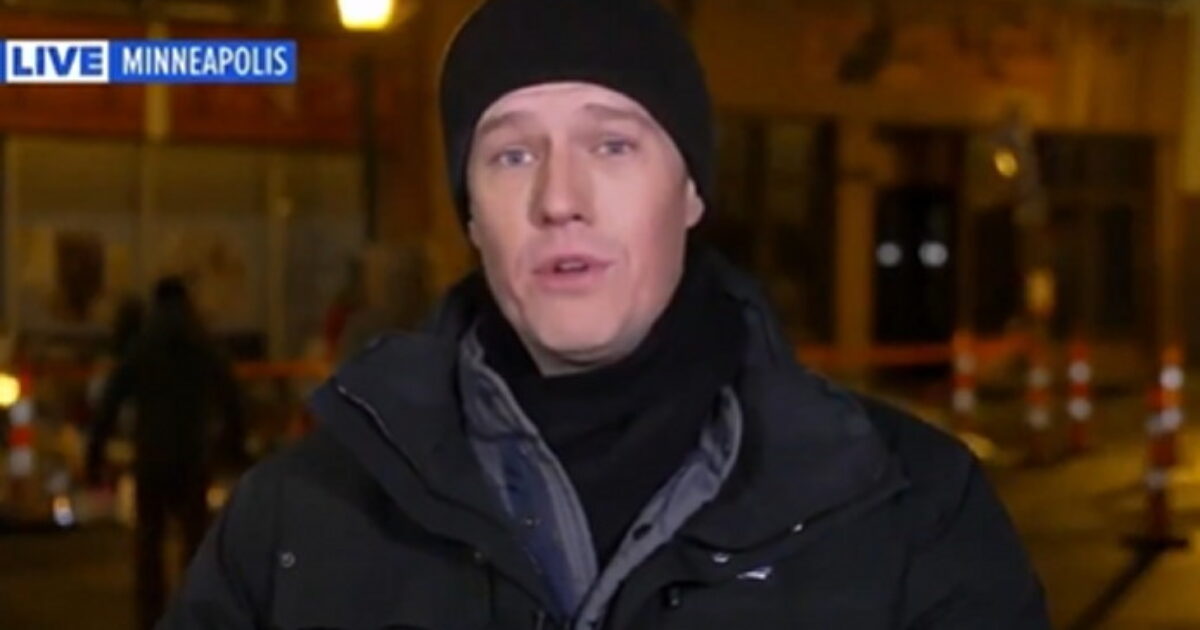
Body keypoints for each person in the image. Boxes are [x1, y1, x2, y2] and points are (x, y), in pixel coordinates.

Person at [159, 1, 1050, 628]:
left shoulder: (911, 511)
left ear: (691, 190)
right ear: (471, 215)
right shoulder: (295, 523)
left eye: (612, 143)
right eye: (511, 155)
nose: (559, 199)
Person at [87, 276, 245, 630]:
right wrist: (233, 445)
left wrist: (94, 454)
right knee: (195, 543)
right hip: (192, 455)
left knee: (149, 542)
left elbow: (111, 401)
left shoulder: (142, 344)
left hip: (151, 456)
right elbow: (231, 397)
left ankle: (151, 617)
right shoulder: (202, 342)